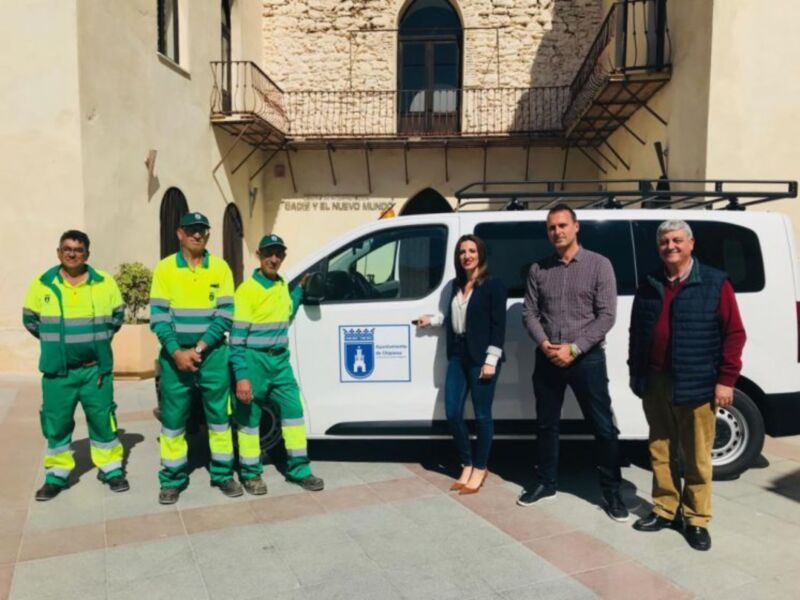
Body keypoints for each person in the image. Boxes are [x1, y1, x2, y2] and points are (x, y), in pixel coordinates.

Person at [628, 220, 745, 551]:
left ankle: (695, 518)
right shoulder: (650, 284)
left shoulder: (714, 282)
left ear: (691, 244)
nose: (671, 246)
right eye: (665, 241)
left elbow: (735, 334)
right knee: (660, 449)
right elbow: (637, 333)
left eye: (677, 240)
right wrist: (635, 372)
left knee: (695, 455)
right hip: (655, 381)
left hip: (697, 382)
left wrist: (726, 380)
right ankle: (665, 509)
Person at [519, 204, 628, 521]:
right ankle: (546, 483)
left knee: (603, 427)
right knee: (546, 424)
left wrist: (575, 349)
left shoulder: (599, 265)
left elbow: (607, 315)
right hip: (548, 355)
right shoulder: (539, 269)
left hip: (587, 358)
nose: (557, 232)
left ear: (576, 226)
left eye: (563, 225)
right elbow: (529, 312)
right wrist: (545, 344)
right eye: (552, 227)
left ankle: (611, 493)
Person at [22, 230, 128, 500]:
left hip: (95, 370)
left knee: (103, 419)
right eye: (67, 249)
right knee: (56, 423)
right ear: (58, 252)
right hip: (59, 372)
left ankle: (111, 469)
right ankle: (56, 475)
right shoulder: (42, 284)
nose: (72, 253)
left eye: (78, 250)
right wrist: (58, 347)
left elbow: (117, 316)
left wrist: (96, 345)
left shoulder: (104, 282)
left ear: (87, 254)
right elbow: (30, 320)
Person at [149, 212, 240, 504]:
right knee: (173, 421)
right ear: (179, 233)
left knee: (219, 418)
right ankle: (172, 479)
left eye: (202, 230)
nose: (197, 235)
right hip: (174, 357)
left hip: (212, 355)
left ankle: (223, 474)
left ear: (208, 234)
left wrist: (198, 349)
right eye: (191, 230)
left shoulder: (221, 268)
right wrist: (176, 352)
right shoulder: (165, 269)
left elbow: (225, 315)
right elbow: (159, 317)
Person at [230, 234, 324, 494]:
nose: (274, 259)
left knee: (293, 412)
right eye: (269, 253)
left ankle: (298, 470)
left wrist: (300, 289)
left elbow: (286, 310)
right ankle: (250, 473)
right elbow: (236, 341)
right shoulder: (247, 290)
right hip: (254, 360)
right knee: (249, 421)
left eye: (279, 254)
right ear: (259, 255)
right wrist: (242, 376)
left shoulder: (282, 285)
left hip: (279, 360)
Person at [417, 234, 507, 494]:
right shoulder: (456, 285)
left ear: (480, 254)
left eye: (471, 251)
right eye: (462, 252)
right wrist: (433, 320)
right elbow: (454, 315)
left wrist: (491, 360)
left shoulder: (493, 285)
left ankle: (480, 467)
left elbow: (498, 327)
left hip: (482, 358)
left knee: (481, 415)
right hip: (457, 353)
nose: (466, 255)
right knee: (453, 413)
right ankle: (466, 462)